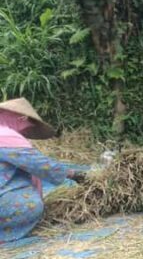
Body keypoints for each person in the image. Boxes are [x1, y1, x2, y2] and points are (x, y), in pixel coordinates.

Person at [0, 98, 85, 243]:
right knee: (29, 205)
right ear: (22, 118)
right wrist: (73, 174)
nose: (27, 130)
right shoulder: (6, 135)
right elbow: (38, 164)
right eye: (29, 124)